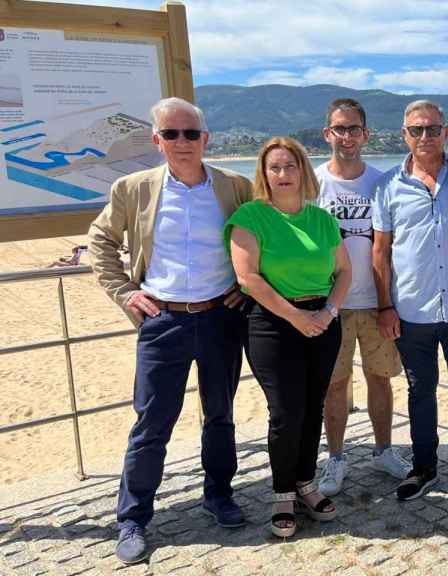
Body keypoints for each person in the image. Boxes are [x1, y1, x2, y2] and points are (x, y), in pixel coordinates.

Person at [88, 97, 252, 564]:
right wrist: (124, 293)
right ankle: (133, 517)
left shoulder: (234, 187)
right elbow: (100, 241)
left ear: (206, 139)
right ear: (157, 140)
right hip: (163, 322)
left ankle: (218, 494)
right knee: (152, 422)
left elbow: (260, 236)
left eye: (192, 133)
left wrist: (248, 287)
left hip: (221, 316)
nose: (183, 142)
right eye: (173, 134)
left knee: (219, 414)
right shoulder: (133, 188)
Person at [225, 137, 352, 537]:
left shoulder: (322, 219)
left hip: (322, 320)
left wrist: (328, 312)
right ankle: (282, 490)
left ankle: (306, 483)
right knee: (285, 411)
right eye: (274, 167)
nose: (283, 174)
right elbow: (248, 278)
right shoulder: (250, 216)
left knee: (313, 405)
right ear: (263, 174)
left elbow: (344, 272)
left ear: (303, 171)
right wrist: (297, 316)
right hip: (272, 323)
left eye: (290, 166)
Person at [372, 100, 448, 501]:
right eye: (416, 130)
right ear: (404, 134)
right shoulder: (387, 186)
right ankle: (424, 467)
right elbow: (380, 252)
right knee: (420, 389)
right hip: (412, 310)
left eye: (432, 129)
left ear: (446, 132)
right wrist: (384, 306)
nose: (425, 137)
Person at [315, 98, 411, 496]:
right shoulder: (313, 181)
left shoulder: (381, 182)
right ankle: (335, 458)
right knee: (335, 385)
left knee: (380, 379)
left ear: (366, 134)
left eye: (354, 129)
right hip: (330, 304)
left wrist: (390, 301)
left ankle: (384, 450)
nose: (347, 136)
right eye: (340, 128)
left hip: (375, 301)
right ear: (328, 134)